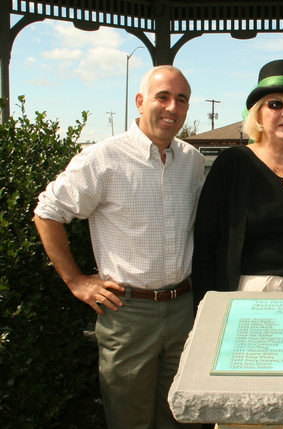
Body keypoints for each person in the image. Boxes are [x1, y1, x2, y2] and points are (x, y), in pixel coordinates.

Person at [34, 65, 205, 428]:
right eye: (163, 97)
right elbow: (47, 212)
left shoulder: (191, 160)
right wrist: (76, 281)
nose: (172, 107)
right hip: (128, 313)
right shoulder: (103, 158)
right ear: (141, 101)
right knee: (129, 420)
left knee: (181, 416)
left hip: (184, 308)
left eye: (181, 99)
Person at [192, 59, 283, 307]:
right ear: (258, 112)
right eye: (275, 104)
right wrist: (204, 309)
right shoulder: (232, 164)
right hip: (251, 293)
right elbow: (206, 243)